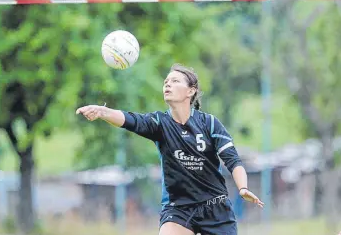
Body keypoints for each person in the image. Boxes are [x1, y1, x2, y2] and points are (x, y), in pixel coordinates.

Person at [76, 63, 264, 235]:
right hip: (178, 209)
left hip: (215, 209)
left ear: (191, 91)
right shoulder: (160, 123)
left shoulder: (210, 124)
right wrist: (102, 111)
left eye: (175, 81)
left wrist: (243, 188)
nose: (167, 84)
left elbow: (233, 160)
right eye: (166, 81)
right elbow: (131, 120)